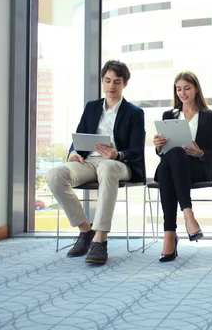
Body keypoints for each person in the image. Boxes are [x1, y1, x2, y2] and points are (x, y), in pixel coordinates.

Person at [47, 60, 145, 265]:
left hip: (119, 164)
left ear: (124, 84)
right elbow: (79, 137)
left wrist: (117, 155)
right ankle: (85, 230)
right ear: (102, 81)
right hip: (89, 162)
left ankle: (100, 239)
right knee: (55, 174)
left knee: (108, 167)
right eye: (107, 81)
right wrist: (73, 153)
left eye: (117, 82)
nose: (111, 86)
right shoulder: (92, 108)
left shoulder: (135, 113)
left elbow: (136, 150)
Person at [152, 71, 212, 262]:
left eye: (187, 88)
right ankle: (188, 216)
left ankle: (169, 235)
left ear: (196, 89)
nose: (182, 93)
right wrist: (158, 147)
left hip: (197, 168)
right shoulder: (169, 115)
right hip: (172, 167)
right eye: (179, 89)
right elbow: (162, 153)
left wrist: (201, 153)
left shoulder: (210, 116)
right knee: (174, 154)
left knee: (174, 162)